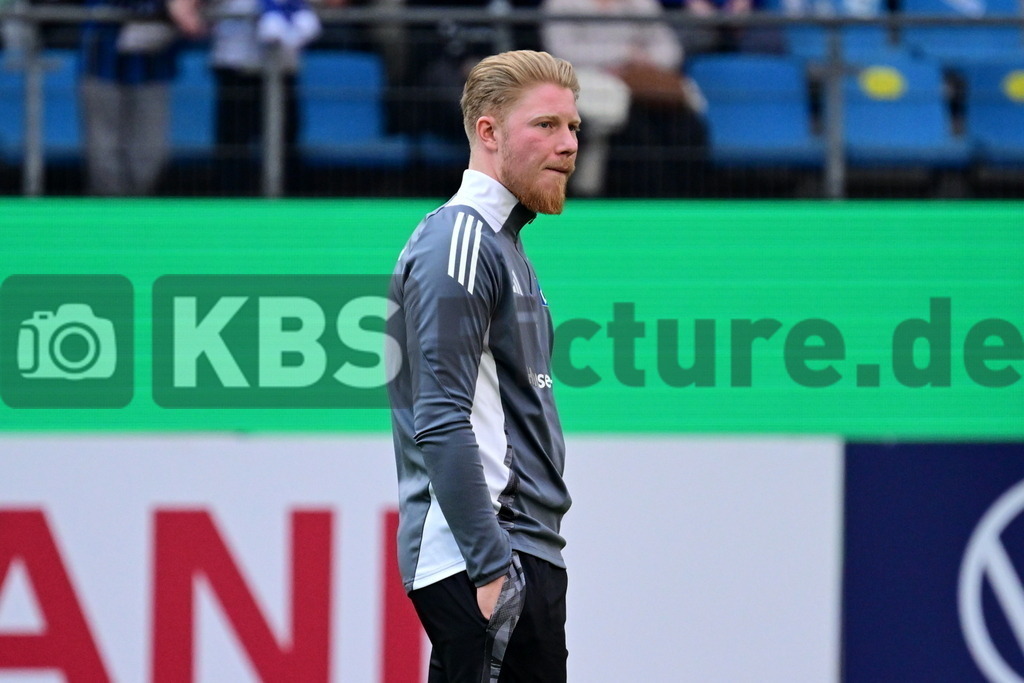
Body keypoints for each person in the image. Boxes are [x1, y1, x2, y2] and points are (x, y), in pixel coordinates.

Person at [385, 49, 577, 682]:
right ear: (488, 132)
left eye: (573, 127)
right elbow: (438, 417)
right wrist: (492, 566)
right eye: (545, 125)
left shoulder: (503, 244)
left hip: (519, 550)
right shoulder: (460, 239)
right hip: (490, 551)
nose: (568, 144)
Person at [541, 0, 709, 196]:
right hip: (590, 85)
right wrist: (622, 55)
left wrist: (640, 63)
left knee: (686, 126)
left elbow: (669, 50)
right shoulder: (562, 4)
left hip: (641, 85)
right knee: (633, 128)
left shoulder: (642, 4)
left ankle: (681, 200)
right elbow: (562, 52)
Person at [168, 0, 326, 194]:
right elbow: (182, 7)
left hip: (282, 65)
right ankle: (231, 206)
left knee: (285, 144)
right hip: (236, 64)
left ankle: (285, 207)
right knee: (234, 146)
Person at [80, 0, 179, 196]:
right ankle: (109, 210)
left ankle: (138, 206)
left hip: (152, 67)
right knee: (104, 147)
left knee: (150, 151)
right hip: (102, 64)